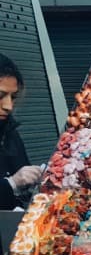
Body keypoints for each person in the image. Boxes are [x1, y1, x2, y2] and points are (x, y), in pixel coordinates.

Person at [0, 54, 43, 210]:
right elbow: (14, 181)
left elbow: (23, 174)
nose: (8, 106)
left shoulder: (9, 133)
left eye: (13, 97)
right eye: (0, 96)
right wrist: (11, 184)